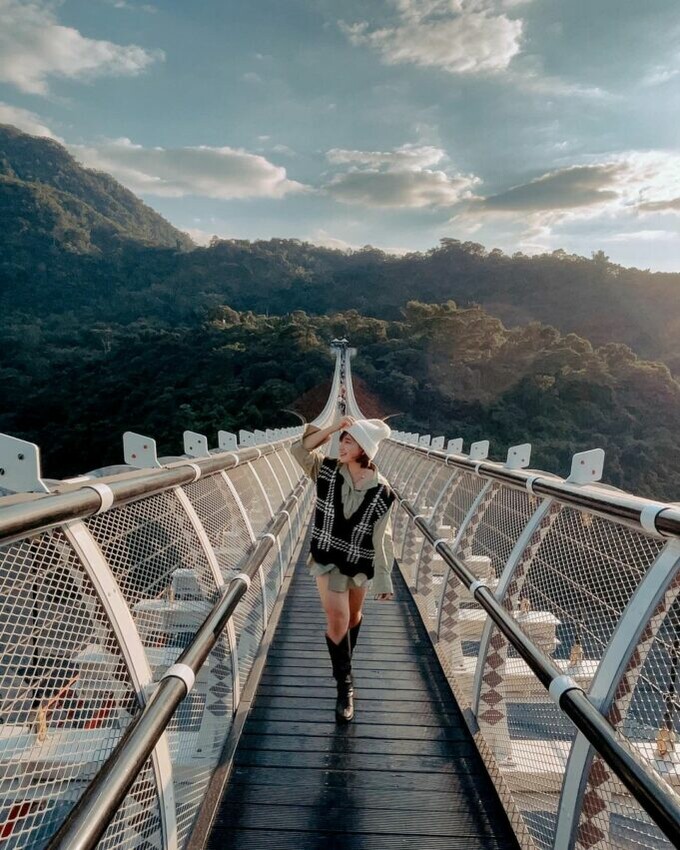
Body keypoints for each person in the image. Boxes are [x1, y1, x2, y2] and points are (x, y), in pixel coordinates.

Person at [291, 415, 396, 722]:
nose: (342, 444)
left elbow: (382, 538)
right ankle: (345, 687)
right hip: (326, 558)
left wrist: (384, 581)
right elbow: (299, 450)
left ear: (364, 448)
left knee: (353, 616)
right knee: (337, 616)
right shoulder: (325, 469)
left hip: (359, 562)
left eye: (349, 441)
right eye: (342, 439)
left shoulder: (382, 491)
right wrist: (334, 428)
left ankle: (345, 665)